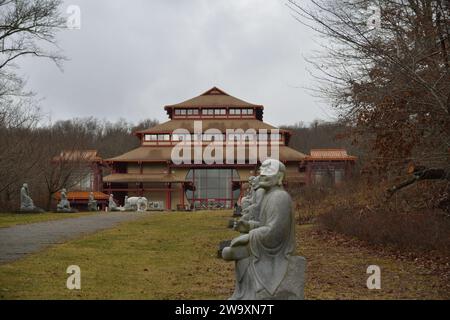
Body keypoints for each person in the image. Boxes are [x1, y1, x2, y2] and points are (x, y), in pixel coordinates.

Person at [222, 159, 295, 300]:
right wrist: (249, 226)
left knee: (229, 252)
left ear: (279, 177)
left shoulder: (280, 197)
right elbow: (265, 224)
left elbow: (275, 233)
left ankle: (248, 293)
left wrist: (249, 236)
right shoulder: (268, 195)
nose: (262, 176)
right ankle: (244, 292)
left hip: (275, 249)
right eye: (262, 173)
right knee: (229, 252)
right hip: (263, 241)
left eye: (268, 174)